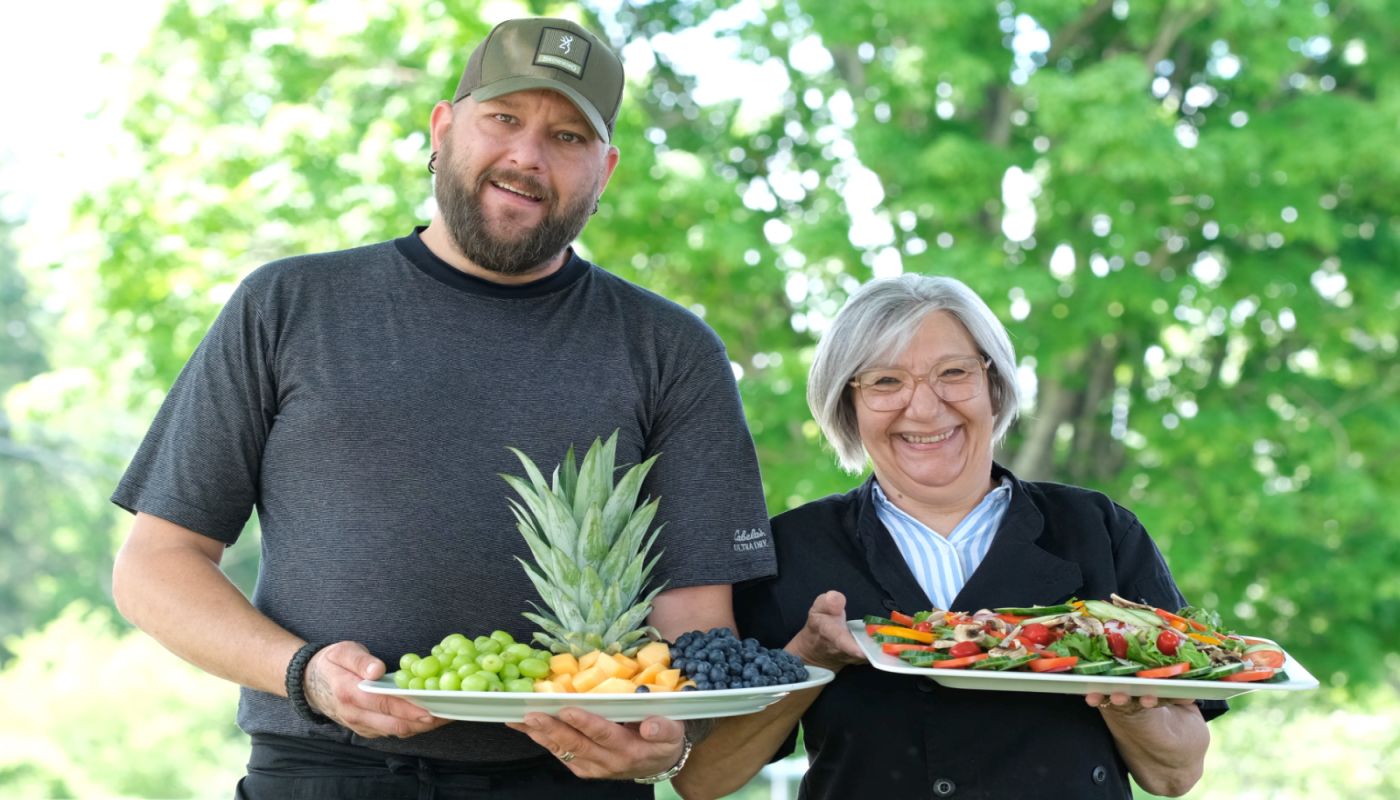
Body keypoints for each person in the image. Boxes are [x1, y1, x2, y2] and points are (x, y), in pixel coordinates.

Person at [110, 16, 775, 799]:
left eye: (567, 137)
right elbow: (155, 567)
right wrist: (303, 673)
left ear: (606, 170)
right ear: (443, 128)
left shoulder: (672, 348)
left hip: (568, 780)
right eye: (504, 118)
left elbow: (695, 619)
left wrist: (671, 743)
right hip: (325, 774)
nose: (527, 156)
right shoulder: (288, 305)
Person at [670, 274, 1223, 799]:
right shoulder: (792, 549)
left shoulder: (1098, 529)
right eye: (885, 381)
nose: (925, 406)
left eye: (954, 373)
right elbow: (703, 777)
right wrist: (811, 657)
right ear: (848, 406)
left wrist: (1128, 705)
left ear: (994, 387)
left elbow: (1175, 774)